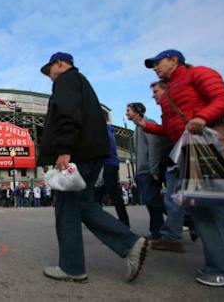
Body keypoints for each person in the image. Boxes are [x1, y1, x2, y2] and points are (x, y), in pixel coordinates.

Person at [39, 52, 149, 283]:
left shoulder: (66, 80)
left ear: (60, 63)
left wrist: (64, 149)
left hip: (76, 153)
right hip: (90, 153)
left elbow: (67, 114)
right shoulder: (82, 82)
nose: (49, 76)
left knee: (67, 208)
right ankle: (130, 243)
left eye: (50, 70)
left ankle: (72, 267)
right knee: (83, 204)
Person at [137, 49, 224, 286]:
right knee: (215, 205)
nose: (155, 67)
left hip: (204, 145)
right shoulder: (171, 90)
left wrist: (203, 117)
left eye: (157, 62)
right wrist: (146, 126)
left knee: (206, 206)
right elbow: (170, 128)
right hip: (188, 149)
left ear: (174, 60)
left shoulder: (198, 74)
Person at [126, 102, 166, 240]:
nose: (126, 113)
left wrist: (154, 168)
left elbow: (154, 147)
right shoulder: (136, 129)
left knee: (152, 201)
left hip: (149, 170)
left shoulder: (148, 123)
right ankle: (157, 231)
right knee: (150, 202)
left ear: (137, 112)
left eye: (129, 111)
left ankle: (188, 220)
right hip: (141, 171)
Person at [98, 125, 131, 227]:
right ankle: (97, 218)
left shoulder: (103, 131)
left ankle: (124, 221)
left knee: (113, 193)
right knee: (100, 193)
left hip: (108, 164)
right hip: (110, 163)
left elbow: (102, 148)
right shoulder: (108, 131)